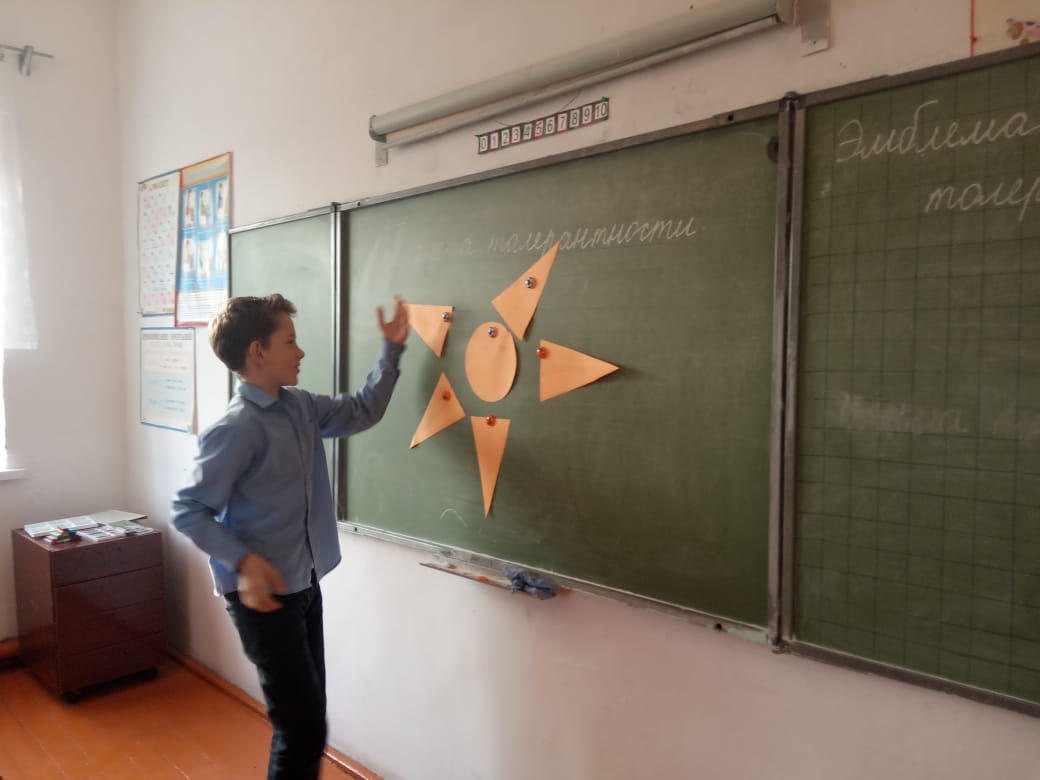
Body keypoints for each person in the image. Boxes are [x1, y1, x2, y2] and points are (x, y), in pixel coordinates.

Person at [171, 292, 408, 780]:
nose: (300, 352)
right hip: (261, 599)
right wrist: (245, 561)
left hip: (302, 582)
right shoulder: (236, 428)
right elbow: (189, 510)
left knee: (308, 717)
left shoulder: (299, 407)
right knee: (301, 728)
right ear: (258, 351)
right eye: (290, 341)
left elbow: (362, 410)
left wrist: (391, 351)